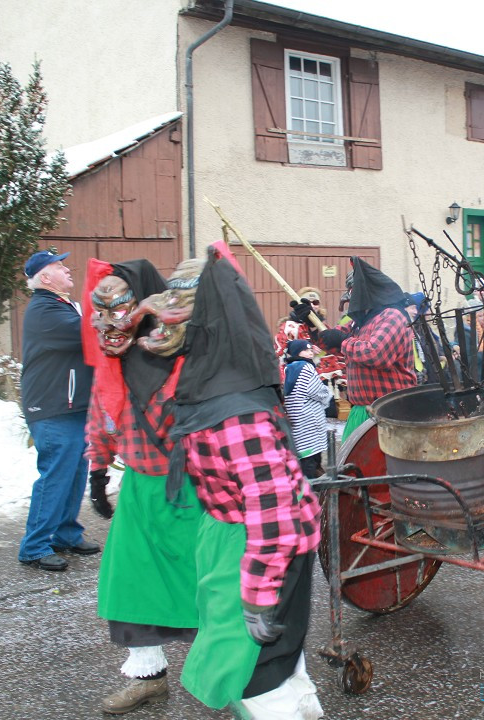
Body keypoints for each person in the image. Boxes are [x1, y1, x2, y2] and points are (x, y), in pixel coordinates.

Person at [139, 250, 323, 718]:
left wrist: (258, 595)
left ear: (207, 323)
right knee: (275, 659)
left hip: (261, 547)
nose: (163, 325)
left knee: (252, 672)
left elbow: (276, 513)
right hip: (231, 536)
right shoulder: (209, 377)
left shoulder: (237, 412)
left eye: (177, 313)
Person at [83, 259, 202, 714]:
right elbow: (101, 413)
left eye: (120, 309)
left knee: (202, 583)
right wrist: (97, 470)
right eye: (101, 311)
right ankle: (149, 677)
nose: (110, 323)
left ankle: (226, 673)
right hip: (138, 487)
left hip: (190, 486)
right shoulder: (112, 363)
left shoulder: (180, 351)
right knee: (129, 583)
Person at [18, 250, 99, 571]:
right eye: (59, 266)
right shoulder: (44, 310)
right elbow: (86, 333)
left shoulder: (60, 306)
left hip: (72, 407)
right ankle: (34, 547)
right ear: (44, 277)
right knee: (55, 475)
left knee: (75, 473)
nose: (67, 270)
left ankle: (65, 534)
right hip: (52, 408)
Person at [294, 257, 415, 440]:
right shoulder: (358, 323)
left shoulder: (393, 316)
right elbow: (329, 341)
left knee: (386, 468)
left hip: (389, 413)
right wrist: (312, 324)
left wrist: (343, 340)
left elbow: (376, 354)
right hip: (361, 411)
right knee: (354, 467)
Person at [283, 339, 333, 479]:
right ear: (296, 352)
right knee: (311, 456)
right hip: (309, 420)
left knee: (303, 453)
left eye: (311, 349)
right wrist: (327, 394)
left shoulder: (290, 368)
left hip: (297, 418)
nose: (310, 352)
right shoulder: (305, 367)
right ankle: (312, 488)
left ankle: (307, 482)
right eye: (306, 350)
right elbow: (316, 390)